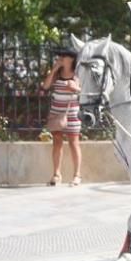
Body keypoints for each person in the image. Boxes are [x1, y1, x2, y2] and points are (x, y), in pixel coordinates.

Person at [41, 45, 82, 186]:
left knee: (73, 142)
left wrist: (75, 87)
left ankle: (77, 175)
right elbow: (45, 86)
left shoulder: (77, 73)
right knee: (57, 142)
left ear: (71, 59)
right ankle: (56, 174)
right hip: (56, 112)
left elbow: (82, 91)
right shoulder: (57, 73)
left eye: (64, 56)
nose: (61, 58)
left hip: (72, 113)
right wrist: (53, 69)